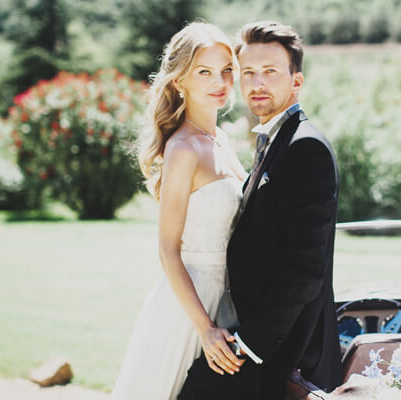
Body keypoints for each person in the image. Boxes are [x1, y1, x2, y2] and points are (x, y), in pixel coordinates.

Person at [180, 21, 342, 400]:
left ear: (296, 81)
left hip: (277, 352)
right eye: (248, 72)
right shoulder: (274, 140)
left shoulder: (306, 147)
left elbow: (304, 270)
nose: (257, 83)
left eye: (270, 71)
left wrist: (247, 346)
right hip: (251, 339)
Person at [110, 22, 247, 400]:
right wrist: (204, 327)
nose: (219, 81)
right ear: (179, 80)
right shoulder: (183, 148)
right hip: (188, 306)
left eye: (226, 70)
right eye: (204, 72)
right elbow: (167, 250)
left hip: (228, 298)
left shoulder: (221, 140)